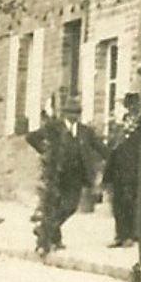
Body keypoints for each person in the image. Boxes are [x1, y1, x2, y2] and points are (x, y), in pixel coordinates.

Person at [26, 99, 105, 254]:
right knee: (55, 205)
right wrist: (45, 152)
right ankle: (54, 238)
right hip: (57, 173)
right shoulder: (54, 128)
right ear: (64, 114)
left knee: (70, 206)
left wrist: (113, 157)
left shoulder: (85, 131)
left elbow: (100, 147)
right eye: (70, 113)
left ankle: (44, 229)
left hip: (77, 175)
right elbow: (31, 137)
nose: (74, 116)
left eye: (77, 113)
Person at [104, 93, 141, 248]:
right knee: (118, 204)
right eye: (128, 105)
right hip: (118, 169)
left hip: (133, 170)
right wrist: (108, 175)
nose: (131, 108)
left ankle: (130, 235)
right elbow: (113, 150)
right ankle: (120, 234)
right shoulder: (121, 125)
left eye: (133, 105)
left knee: (130, 202)